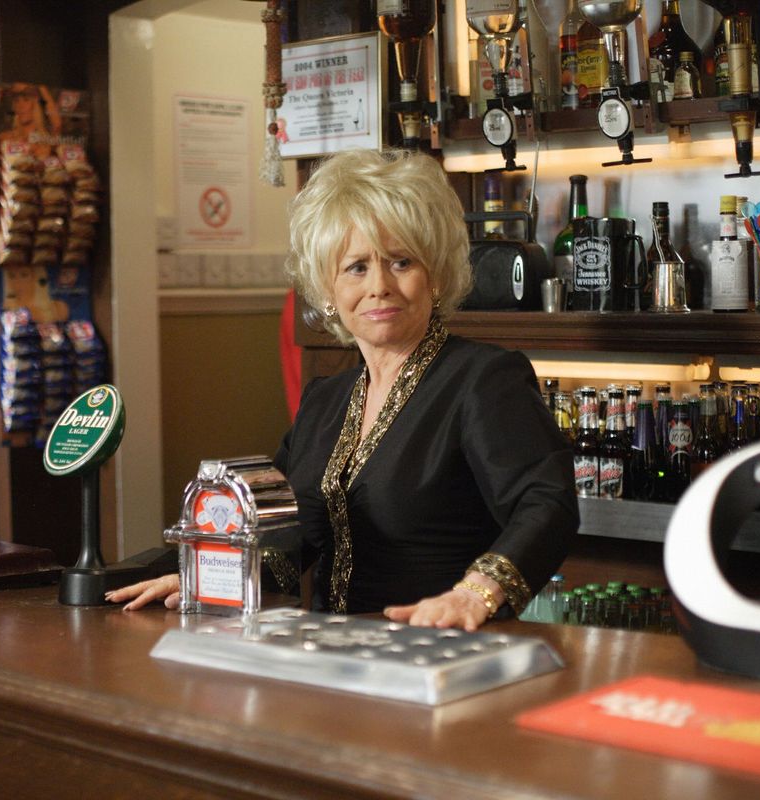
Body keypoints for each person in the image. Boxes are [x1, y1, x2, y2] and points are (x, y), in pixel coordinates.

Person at [108, 148, 578, 631]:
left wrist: (476, 595)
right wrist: (201, 578)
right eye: (356, 267)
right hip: (336, 658)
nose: (379, 285)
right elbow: (289, 542)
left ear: (434, 275)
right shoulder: (324, 402)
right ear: (329, 291)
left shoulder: (483, 379)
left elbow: (548, 504)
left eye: (401, 262)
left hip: (442, 652)